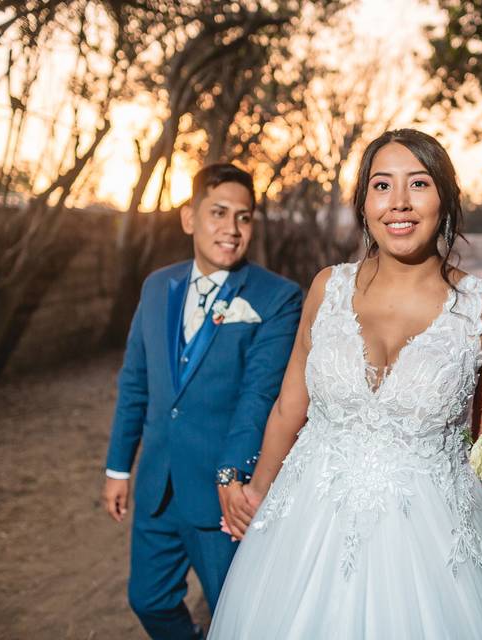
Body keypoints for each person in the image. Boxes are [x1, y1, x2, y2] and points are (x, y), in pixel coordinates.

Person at [208, 130, 482, 638]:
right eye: (381, 185)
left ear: (446, 198)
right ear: (364, 203)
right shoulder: (328, 287)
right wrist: (258, 490)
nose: (399, 203)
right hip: (307, 527)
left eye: (418, 183)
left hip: (435, 542)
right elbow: (289, 406)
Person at [102, 163, 303, 640]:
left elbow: (260, 396)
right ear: (189, 217)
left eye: (244, 217)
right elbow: (135, 382)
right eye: (218, 213)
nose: (231, 229)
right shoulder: (156, 287)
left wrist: (232, 473)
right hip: (158, 486)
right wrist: (117, 468)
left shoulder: (278, 298)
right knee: (148, 600)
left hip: (222, 493)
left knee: (238, 618)